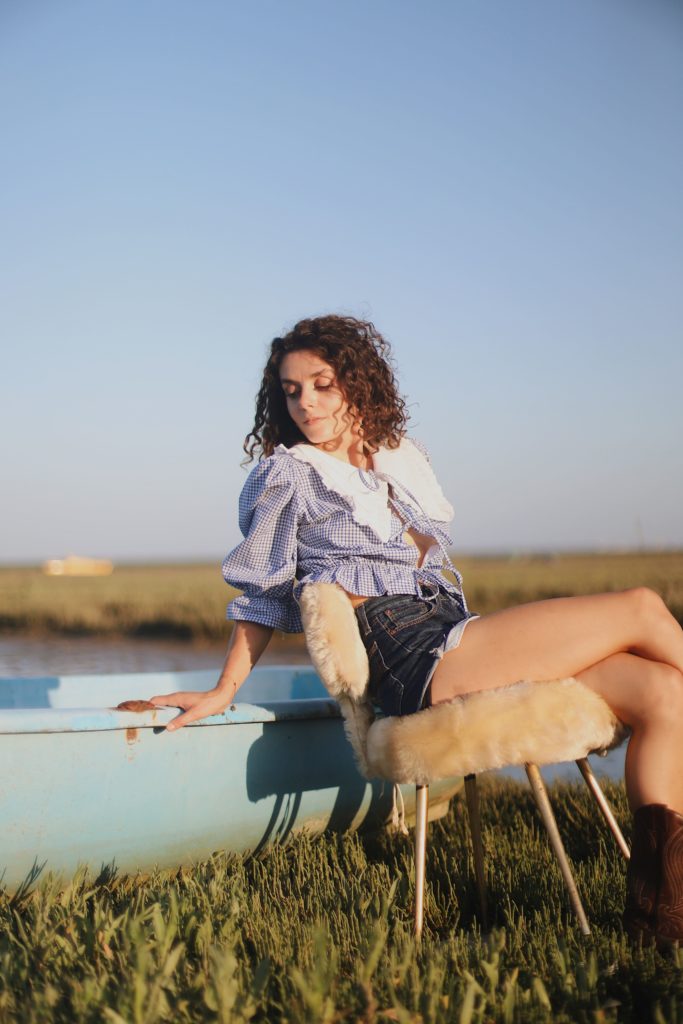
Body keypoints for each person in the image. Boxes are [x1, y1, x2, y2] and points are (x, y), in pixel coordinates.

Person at [150, 314, 683, 946]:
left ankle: (660, 921)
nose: (306, 403)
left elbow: (423, 552)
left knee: (660, 691)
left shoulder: (399, 460)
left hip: (450, 628)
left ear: (355, 380)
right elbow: (265, 591)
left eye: (321, 384)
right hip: (410, 659)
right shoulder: (289, 474)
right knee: (643, 607)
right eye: (292, 391)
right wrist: (223, 690)